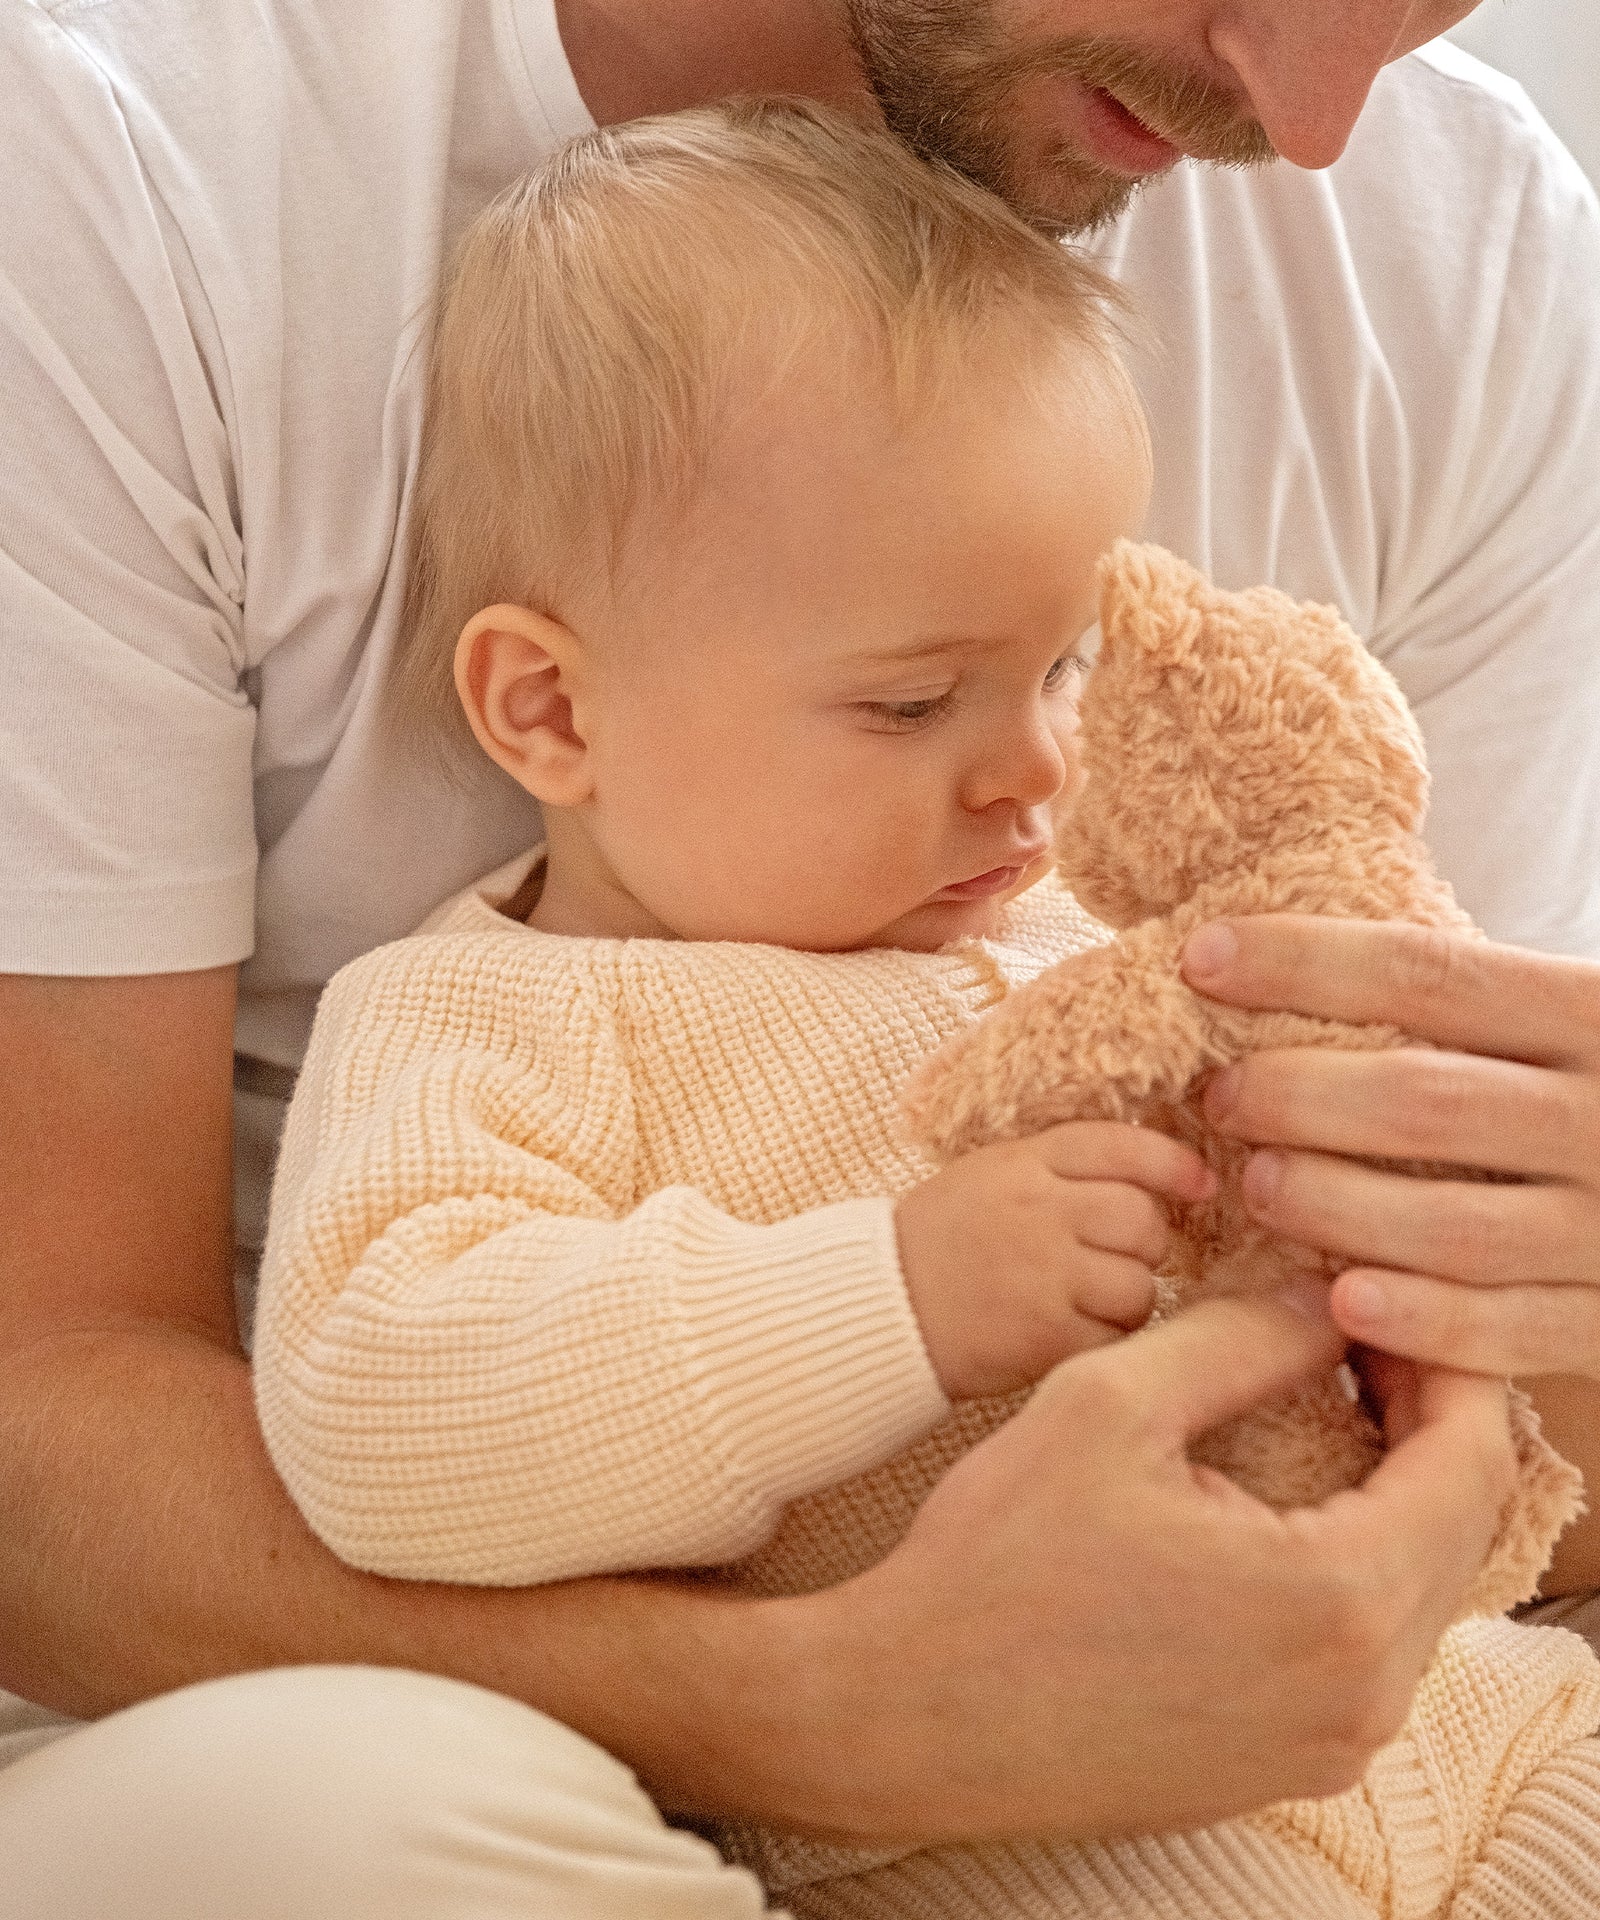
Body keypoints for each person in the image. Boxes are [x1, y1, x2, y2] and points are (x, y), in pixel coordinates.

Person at [2, 0, 1599, 1913]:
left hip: (1406, 1741)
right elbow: (294, 1395)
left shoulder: (1466, 247)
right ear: (548, 713)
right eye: (912, 700)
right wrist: (861, 1601)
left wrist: (1466, 1376)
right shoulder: (488, 1015)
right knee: (347, 1823)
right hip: (697, 1776)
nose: (1323, 117)